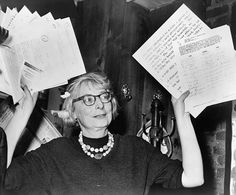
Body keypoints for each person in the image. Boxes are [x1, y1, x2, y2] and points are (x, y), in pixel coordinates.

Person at [1, 71, 204, 195]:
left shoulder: (137, 150)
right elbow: (3, 177)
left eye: (104, 96)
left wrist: (183, 115)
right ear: (73, 111)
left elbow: (193, 178)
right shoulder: (55, 153)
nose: (99, 104)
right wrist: (22, 112)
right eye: (89, 99)